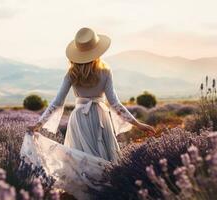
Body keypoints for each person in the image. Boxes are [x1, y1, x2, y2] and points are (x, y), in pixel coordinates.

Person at [20, 27, 156, 199]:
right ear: (97, 50)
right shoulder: (105, 71)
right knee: (103, 158)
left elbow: (56, 102)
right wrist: (138, 124)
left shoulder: (72, 74)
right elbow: (115, 103)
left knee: (81, 160)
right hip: (100, 117)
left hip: (80, 120)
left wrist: (38, 125)